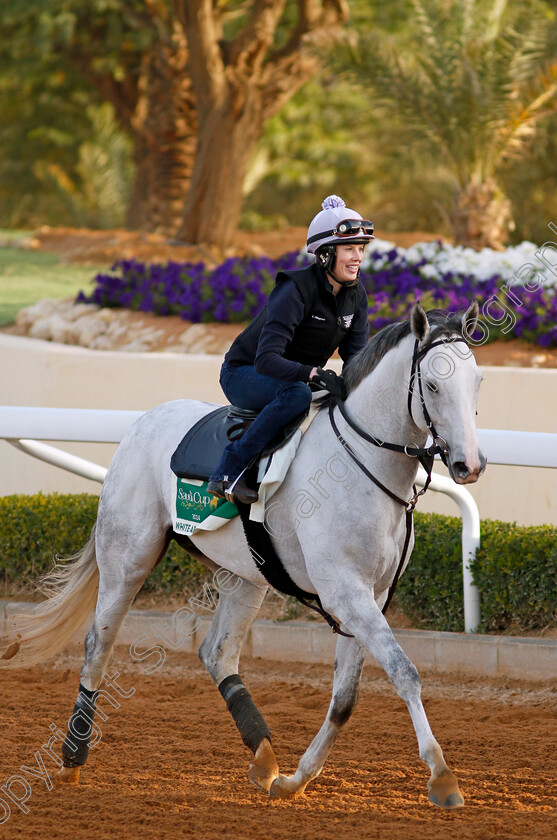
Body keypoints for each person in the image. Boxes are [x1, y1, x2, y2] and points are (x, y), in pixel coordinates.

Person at [207, 195, 375, 505]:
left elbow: (356, 359)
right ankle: (229, 470)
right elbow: (267, 358)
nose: (357, 258)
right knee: (297, 394)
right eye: (349, 249)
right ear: (324, 255)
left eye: (361, 249)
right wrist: (312, 373)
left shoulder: (357, 295)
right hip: (245, 373)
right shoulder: (294, 289)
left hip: (296, 379)